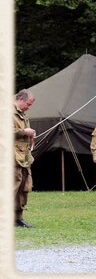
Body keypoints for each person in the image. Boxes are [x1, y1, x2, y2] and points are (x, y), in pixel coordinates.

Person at [14, 89, 36, 228]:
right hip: (11, 157)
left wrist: (30, 135)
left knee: (24, 187)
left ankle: (18, 218)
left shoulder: (23, 114)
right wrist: (24, 132)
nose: (29, 107)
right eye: (28, 104)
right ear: (21, 99)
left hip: (23, 157)